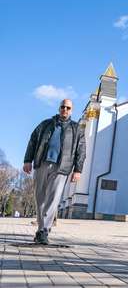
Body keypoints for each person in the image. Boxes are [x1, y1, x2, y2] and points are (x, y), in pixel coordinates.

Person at [23, 99, 85, 245]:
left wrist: (78, 169)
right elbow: (33, 140)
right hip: (41, 163)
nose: (65, 109)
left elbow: (81, 150)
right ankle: (41, 227)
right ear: (59, 108)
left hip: (61, 167)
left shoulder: (77, 129)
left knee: (53, 199)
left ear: (71, 110)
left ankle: (44, 230)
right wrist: (27, 160)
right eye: (63, 107)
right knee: (40, 198)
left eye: (68, 108)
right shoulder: (46, 124)